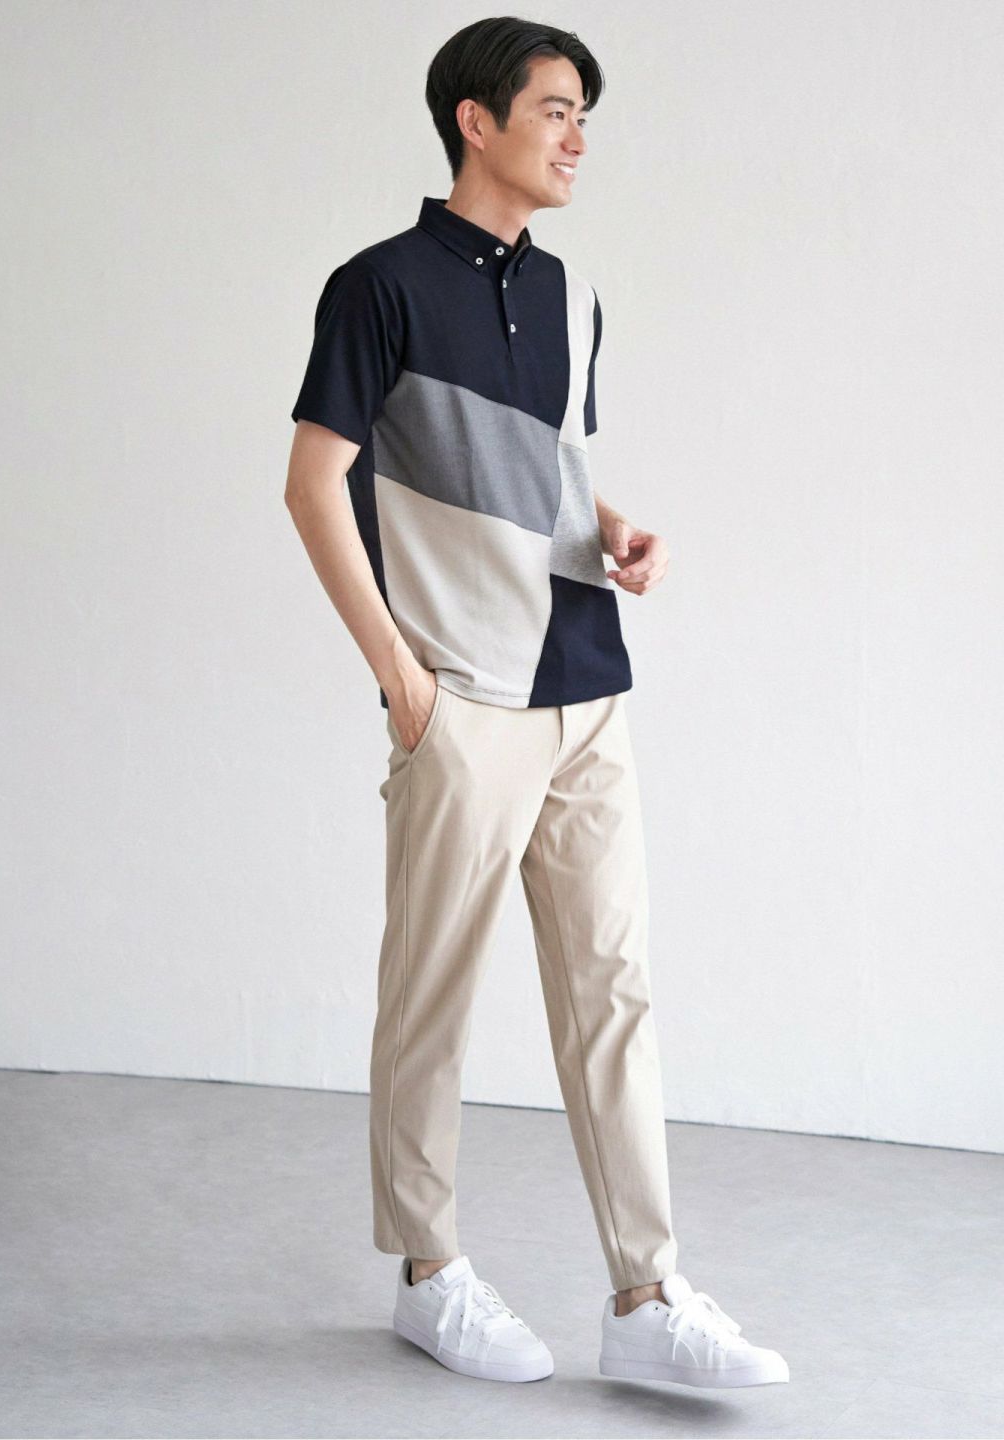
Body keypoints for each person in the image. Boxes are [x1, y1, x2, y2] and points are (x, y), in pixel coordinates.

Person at [284, 15, 789, 1391]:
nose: (577, 138)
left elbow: (544, 465)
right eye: (557, 110)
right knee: (432, 997)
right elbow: (313, 484)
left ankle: (645, 1294)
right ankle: (428, 1272)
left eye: (583, 117)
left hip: (585, 686)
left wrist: (613, 526)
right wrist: (401, 677)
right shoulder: (376, 288)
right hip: (461, 694)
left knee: (613, 989)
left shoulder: (572, 293)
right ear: (476, 120)